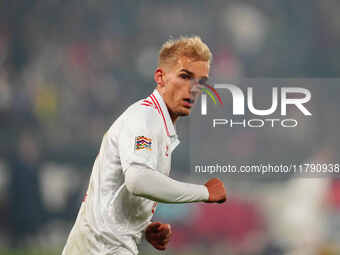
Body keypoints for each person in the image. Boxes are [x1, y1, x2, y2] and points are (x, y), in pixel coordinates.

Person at [62, 36, 227, 255]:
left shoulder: (157, 124)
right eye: (185, 76)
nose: (193, 88)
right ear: (161, 77)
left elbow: (116, 192)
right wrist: (204, 192)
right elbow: (138, 180)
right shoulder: (145, 117)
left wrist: (141, 227)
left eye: (201, 82)